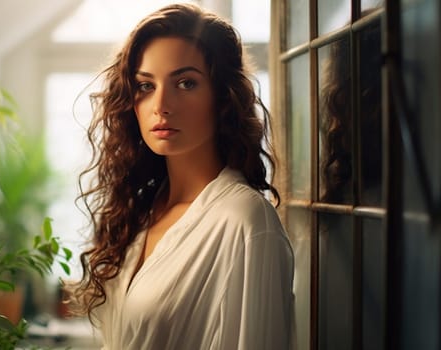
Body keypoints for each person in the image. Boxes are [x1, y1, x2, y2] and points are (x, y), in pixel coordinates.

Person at [70, 3, 294, 349]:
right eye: (145, 86)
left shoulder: (245, 222)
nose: (161, 105)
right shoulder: (144, 209)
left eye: (186, 83)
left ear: (222, 97)